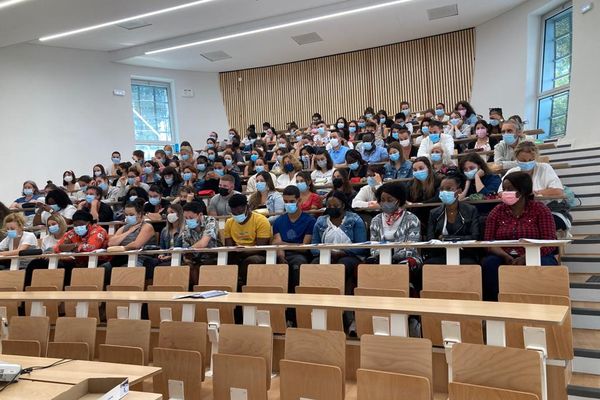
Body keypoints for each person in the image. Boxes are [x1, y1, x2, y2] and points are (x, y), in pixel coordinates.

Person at [482, 172, 558, 301]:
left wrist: (526, 257)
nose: (505, 192)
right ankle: (494, 306)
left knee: (546, 264)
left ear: (523, 190)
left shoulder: (540, 209)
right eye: (504, 189)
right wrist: (505, 256)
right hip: (503, 255)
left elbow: (549, 241)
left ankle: (545, 305)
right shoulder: (497, 211)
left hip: (536, 254)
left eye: (510, 189)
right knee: (489, 263)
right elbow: (489, 241)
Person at [311, 191, 368, 303]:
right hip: (327, 255)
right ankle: (315, 301)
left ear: (343, 205)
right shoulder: (320, 221)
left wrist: (343, 251)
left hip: (350, 256)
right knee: (314, 265)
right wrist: (328, 252)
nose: (331, 208)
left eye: (335, 206)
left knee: (342, 264)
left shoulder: (355, 220)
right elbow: (313, 247)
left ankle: (339, 301)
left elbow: (361, 247)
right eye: (329, 206)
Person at [499, 141, 567, 229]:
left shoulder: (545, 168)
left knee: (539, 223)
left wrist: (535, 193)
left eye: (530, 160)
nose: (527, 163)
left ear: (535, 158)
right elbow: (500, 192)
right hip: (518, 212)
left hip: (550, 210)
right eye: (523, 160)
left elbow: (558, 191)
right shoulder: (512, 172)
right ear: (516, 159)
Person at [368, 182, 422, 291]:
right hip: (381, 257)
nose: (385, 203)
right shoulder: (375, 220)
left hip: (408, 257)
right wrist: (384, 256)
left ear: (399, 200)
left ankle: (406, 293)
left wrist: (391, 256)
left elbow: (411, 248)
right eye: (382, 200)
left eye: (390, 200)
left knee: (403, 266)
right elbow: (373, 248)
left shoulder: (412, 220)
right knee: (367, 265)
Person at [425, 175, 481, 264]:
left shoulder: (471, 210)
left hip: (465, 253)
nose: (444, 192)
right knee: (430, 264)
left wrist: (446, 238)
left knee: (469, 264)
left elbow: (474, 237)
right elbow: (431, 238)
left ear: (459, 191)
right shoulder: (434, 213)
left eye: (448, 189)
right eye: (442, 189)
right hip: (441, 253)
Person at [273, 186, 317, 294]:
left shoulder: (310, 221)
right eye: (285, 201)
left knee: (299, 262)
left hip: (300, 255)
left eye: (292, 201)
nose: (288, 204)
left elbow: (304, 247)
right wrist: (281, 256)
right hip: (283, 254)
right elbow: (277, 243)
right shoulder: (278, 221)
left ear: (299, 200)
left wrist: (283, 244)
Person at [224, 194, 272, 289]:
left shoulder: (261, 221)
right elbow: (229, 246)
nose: (237, 215)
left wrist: (242, 250)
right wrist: (236, 251)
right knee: (222, 260)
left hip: (257, 253)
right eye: (234, 213)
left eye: (239, 212)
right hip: (237, 253)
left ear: (247, 207)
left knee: (251, 261)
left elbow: (261, 247)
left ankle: (242, 287)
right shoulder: (229, 222)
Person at [103, 201, 157, 281]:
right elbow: (111, 243)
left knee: (123, 273)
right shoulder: (124, 228)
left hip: (139, 258)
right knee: (102, 270)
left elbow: (136, 245)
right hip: (121, 258)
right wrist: (129, 231)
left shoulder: (147, 227)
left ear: (139, 214)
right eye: (126, 215)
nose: (128, 217)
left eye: (131, 215)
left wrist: (121, 248)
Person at [52, 210, 109, 283]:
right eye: (75, 225)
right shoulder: (72, 232)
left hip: (99, 261)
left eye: (81, 224)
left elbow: (90, 247)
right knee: (60, 265)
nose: (78, 227)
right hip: (78, 261)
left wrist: (70, 247)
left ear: (88, 223)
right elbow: (58, 247)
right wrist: (76, 245)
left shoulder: (99, 231)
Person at [180, 201, 220, 286]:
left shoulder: (210, 221)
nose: (188, 220)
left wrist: (188, 250)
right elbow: (185, 247)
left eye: (191, 218)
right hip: (195, 257)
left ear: (200, 215)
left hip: (213, 256)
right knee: (185, 265)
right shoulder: (186, 228)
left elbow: (203, 243)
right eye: (186, 218)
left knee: (198, 267)